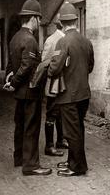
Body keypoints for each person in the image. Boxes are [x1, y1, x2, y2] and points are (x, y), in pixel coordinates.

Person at [3, 0, 52, 176]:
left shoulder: (15, 37)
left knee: (20, 124)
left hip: (19, 94)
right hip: (30, 92)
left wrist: (9, 81)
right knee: (31, 127)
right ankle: (31, 165)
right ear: (33, 18)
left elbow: (11, 64)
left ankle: (19, 158)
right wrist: (14, 82)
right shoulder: (30, 40)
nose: (40, 23)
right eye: (39, 19)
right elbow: (26, 67)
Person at [48, 1, 94, 176]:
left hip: (68, 95)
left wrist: (53, 67)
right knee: (78, 129)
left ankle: (77, 167)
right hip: (84, 94)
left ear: (62, 23)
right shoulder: (86, 41)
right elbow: (90, 66)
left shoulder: (63, 42)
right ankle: (72, 161)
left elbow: (54, 68)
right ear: (75, 21)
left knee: (71, 132)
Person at [42, 17, 68, 156]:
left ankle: (60, 140)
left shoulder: (65, 39)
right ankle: (49, 145)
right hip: (54, 82)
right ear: (63, 24)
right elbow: (44, 62)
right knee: (52, 112)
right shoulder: (52, 40)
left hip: (64, 83)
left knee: (61, 112)